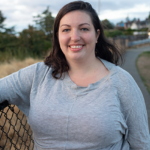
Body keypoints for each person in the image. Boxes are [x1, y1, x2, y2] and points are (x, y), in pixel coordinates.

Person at [0, 1, 150, 150]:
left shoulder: (122, 81)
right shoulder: (38, 74)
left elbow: (141, 144)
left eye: (84, 28)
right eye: (66, 30)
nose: (75, 36)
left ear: (96, 35)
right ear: (58, 36)